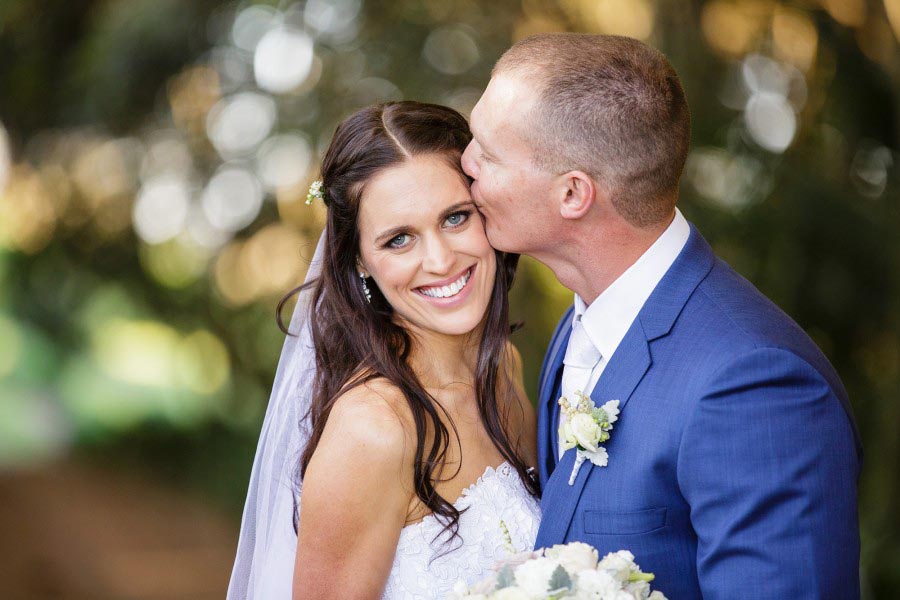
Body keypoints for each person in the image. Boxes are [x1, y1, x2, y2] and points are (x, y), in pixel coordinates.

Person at [462, 33, 862, 599]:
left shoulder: (755, 386)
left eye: (488, 152)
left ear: (573, 194)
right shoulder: (580, 324)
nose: (465, 163)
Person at [227, 101, 541, 600]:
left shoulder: (503, 366)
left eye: (456, 217)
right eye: (399, 240)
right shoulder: (373, 431)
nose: (440, 260)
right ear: (360, 263)